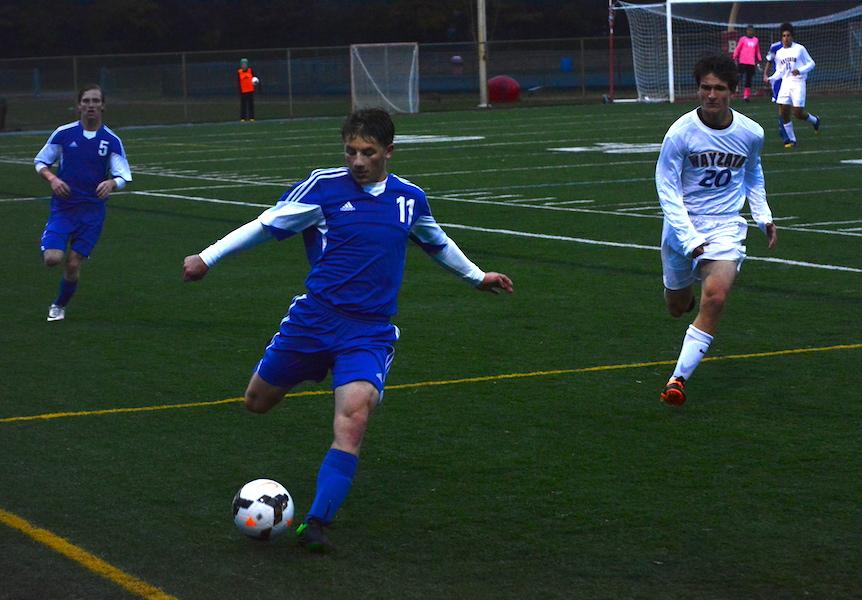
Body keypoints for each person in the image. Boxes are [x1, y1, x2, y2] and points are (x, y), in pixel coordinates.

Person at [182, 108, 514, 552]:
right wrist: (208, 257)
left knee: (354, 419)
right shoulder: (322, 188)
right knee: (256, 402)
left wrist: (477, 276)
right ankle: (303, 383)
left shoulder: (408, 198)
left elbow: (436, 241)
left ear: (388, 152)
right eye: (351, 151)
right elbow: (265, 226)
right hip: (313, 320)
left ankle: (317, 523)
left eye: (368, 152)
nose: (358, 161)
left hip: (369, 332)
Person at [655, 53, 777, 407]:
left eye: (719, 89)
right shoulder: (680, 133)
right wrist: (689, 238)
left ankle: (677, 379)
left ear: (733, 92)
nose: (711, 95)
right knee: (677, 306)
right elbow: (667, 189)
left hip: (725, 227)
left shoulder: (751, 132)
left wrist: (763, 215)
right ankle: (682, 294)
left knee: (717, 297)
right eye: (705, 88)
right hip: (682, 226)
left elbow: (753, 173)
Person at [34, 83, 132, 322]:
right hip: (64, 208)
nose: (91, 105)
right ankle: (51, 238)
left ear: (103, 106)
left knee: (72, 264)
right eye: (86, 101)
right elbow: (40, 162)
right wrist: (52, 178)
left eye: (95, 101)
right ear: (79, 105)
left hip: (92, 213)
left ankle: (59, 305)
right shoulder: (64, 133)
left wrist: (111, 184)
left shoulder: (111, 140)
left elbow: (123, 175)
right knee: (52, 259)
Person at [767, 23, 820, 148]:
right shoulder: (779, 53)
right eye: (784, 36)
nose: (786, 38)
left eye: (788, 35)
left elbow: (811, 63)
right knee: (784, 111)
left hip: (798, 82)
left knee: (798, 113)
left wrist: (800, 70)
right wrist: (770, 78)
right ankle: (792, 139)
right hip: (786, 83)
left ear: (792, 36)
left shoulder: (800, 49)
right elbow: (780, 71)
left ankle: (815, 120)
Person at [732, 25, 762, 102]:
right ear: (747, 31)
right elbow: (738, 48)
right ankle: (733, 92)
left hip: (751, 63)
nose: (750, 32)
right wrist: (735, 56)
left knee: (748, 79)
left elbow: (757, 51)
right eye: (749, 30)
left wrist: (759, 59)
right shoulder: (743, 39)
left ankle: (746, 96)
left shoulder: (756, 40)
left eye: (751, 30)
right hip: (742, 61)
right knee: (738, 77)